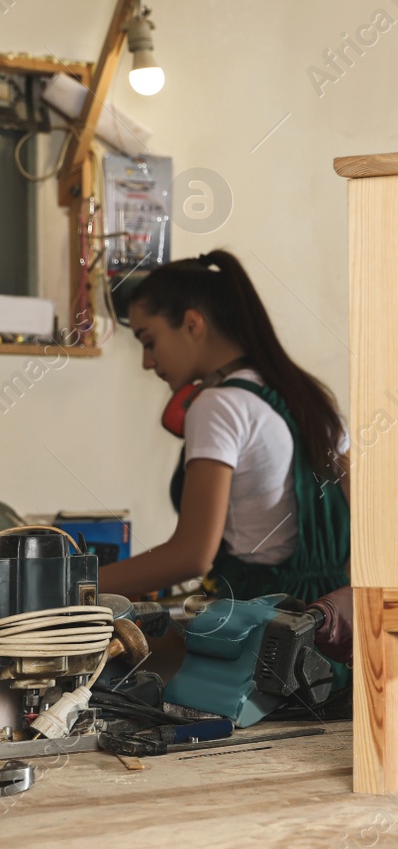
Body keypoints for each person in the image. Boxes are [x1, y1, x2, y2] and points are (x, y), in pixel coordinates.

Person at [98, 251, 352, 607]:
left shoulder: (216, 406)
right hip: (334, 625)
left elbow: (190, 556)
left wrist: (77, 585)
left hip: (261, 629)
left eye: (149, 340)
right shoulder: (309, 396)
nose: (147, 362)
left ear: (192, 324)